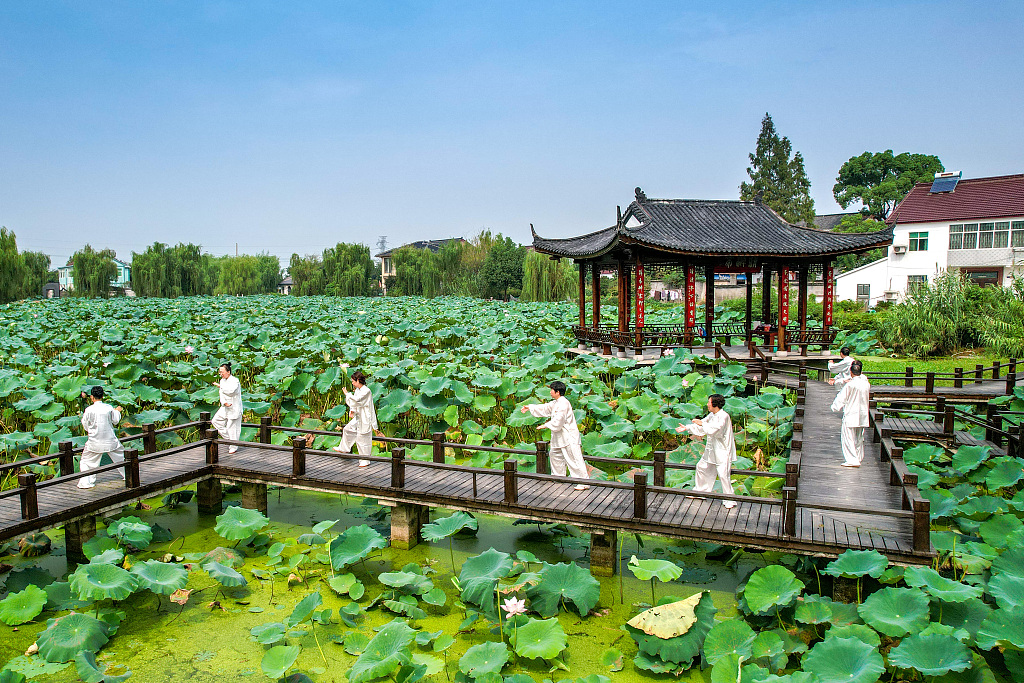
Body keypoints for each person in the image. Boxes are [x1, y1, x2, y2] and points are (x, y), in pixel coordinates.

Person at [520, 381, 590, 490]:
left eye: (552, 390)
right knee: (554, 455)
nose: (550, 392)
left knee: (573, 459)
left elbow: (559, 420)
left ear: (557, 392)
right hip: (559, 437)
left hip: (568, 436)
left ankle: (583, 482)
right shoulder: (556, 402)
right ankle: (558, 478)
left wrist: (546, 425)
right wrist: (530, 407)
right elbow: (545, 408)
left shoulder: (564, 403)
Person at [676, 393, 737, 508]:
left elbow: (716, 430)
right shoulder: (711, 415)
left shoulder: (724, 416)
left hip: (722, 450)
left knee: (723, 474)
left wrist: (703, 423)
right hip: (711, 449)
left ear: (715, 404)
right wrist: (687, 427)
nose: (707, 404)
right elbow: (702, 428)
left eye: (709, 402)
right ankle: (700, 491)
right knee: (701, 467)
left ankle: (730, 499)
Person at [78, 386, 126, 489]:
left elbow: (85, 425)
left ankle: (86, 483)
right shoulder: (108, 408)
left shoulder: (89, 410)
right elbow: (115, 420)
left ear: (92, 397)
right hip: (110, 440)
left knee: (86, 462)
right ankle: (129, 475)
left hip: (94, 441)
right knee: (122, 458)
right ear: (102, 396)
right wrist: (117, 411)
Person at [333, 370, 381, 467]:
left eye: (353, 381)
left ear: (358, 380)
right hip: (358, 416)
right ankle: (344, 448)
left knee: (362, 439)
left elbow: (358, 400)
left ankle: (365, 460)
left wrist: (347, 394)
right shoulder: (358, 391)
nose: (352, 383)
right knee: (347, 429)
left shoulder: (366, 391)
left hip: (365, 417)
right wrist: (352, 410)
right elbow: (355, 404)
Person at [831, 360, 871, 467]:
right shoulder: (866, 384)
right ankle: (858, 457)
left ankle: (852, 460)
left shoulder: (851, 385)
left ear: (851, 372)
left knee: (848, 437)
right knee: (859, 438)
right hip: (862, 414)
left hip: (851, 414)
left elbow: (841, 398)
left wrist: (835, 407)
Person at [212, 362, 243, 454]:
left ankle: (233, 446)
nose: (221, 374)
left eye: (222, 372)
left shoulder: (235, 381)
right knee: (215, 421)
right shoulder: (222, 381)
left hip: (234, 407)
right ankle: (230, 439)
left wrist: (221, 387)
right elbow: (221, 394)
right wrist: (224, 402)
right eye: (220, 372)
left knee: (232, 427)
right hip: (225, 406)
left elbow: (232, 392)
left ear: (228, 372)